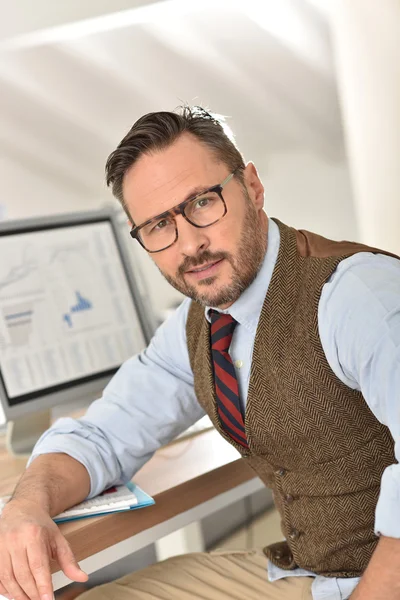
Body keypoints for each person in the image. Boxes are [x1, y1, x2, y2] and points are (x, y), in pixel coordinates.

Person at [0, 106, 399, 600]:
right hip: (311, 576)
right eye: (157, 226)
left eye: (204, 203)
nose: (189, 244)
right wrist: (26, 505)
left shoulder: (358, 295)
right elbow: (104, 434)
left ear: (252, 187)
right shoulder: (200, 323)